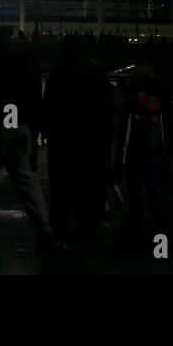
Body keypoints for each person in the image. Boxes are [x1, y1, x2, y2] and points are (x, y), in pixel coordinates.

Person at [0, 28, 59, 252]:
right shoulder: (21, 66)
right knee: (27, 180)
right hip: (20, 126)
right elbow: (34, 98)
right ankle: (44, 230)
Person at [41, 39, 114, 245]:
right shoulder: (95, 77)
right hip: (90, 140)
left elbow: (48, 110)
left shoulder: (57, 78)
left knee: (61, 189)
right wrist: (107, 137)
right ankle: (89, 227)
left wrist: (48, 132)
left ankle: (61, 231)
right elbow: (106, 109)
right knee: (88, 187)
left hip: (63, 141)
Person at [121, 77, 169, 237]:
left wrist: (121, 161)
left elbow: (126, 136)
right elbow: (162, 134)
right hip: (153, 157)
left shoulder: (130, 108)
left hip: (134, 157)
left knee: (135, 195)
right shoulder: (156, 106)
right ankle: (161, 225)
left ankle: (137, 227)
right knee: (155, 192)